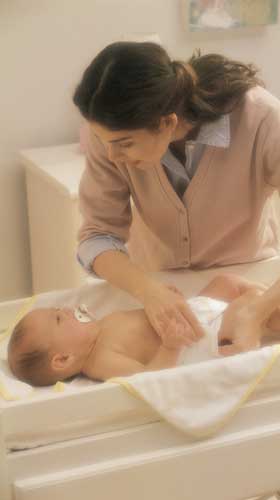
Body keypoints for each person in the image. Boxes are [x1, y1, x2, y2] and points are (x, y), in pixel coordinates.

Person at [73, 41, 280, 353]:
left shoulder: (260, 117)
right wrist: (147, 290)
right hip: (159, 282)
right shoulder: (110, 136)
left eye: (125, 143)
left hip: (249, 278)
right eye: (104, 142)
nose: (112, 155)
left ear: (168, 122)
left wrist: (257, 309)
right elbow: (97, 236)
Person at [7, 274, 280, 386]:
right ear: (62, 359)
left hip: (194, 313)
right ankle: (260, 313)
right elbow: (151, 378)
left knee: (225, 283)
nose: (65, 311)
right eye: (58, 320)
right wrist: (170, 346)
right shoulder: (100, 361)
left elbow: (150, 316)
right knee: (246, 309)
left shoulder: (101, 326)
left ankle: (260, 305)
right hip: (202, 339)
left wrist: (175, 301)